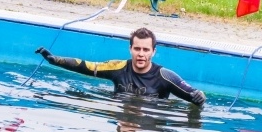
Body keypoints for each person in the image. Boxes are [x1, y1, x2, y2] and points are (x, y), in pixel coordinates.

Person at [35, 27, 206, 106]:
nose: (141, 54)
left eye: (145, 50)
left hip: (150, 126)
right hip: (121, 114)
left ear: (153, 52)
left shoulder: (165, 76)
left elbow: (193, 94)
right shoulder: (118, 67)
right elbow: (85, 66)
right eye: (137, 48)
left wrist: (200, 97)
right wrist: (54, 59)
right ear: (130, 49)